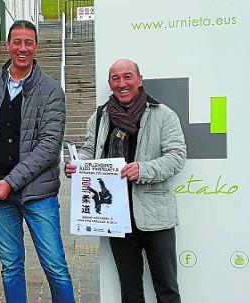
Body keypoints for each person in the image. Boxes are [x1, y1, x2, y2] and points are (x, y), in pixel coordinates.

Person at [0, 20, 75, 303]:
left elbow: (49, 148)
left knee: (55, 267)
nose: (22, 48)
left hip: (38, 194)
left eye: (28, 43)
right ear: (8, 45)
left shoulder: (51, 90)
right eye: (16, 42)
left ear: (36, 47)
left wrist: (10, 182)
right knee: (11, 267)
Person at [65, 59, 187, 303]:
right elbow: (91, 149)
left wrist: (143, 169)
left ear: (139, 80)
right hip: (116, 217)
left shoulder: (163, 114)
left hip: (155, 216)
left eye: (128, 77)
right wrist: (79, 166)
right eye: (115, 78)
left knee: (167, 289)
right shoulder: (100, 116)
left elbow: (177, 156)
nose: (122, 83)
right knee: (129, 290)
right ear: (110, 83)